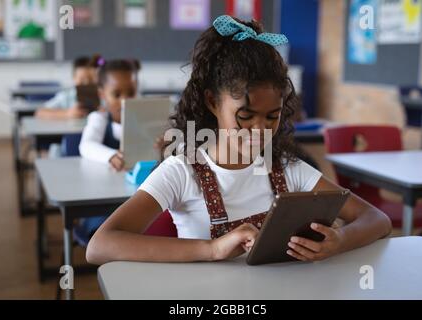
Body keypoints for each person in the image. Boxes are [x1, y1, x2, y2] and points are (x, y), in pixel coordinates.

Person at [86, 16, 391, 265]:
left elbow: (376, 218)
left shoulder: (286, 168)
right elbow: (99, 246)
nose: (260, 129)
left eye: (272, 116)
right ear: (211, 102)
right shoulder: (182, 172)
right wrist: (212, 249)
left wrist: (340, 241)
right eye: (245, 116)